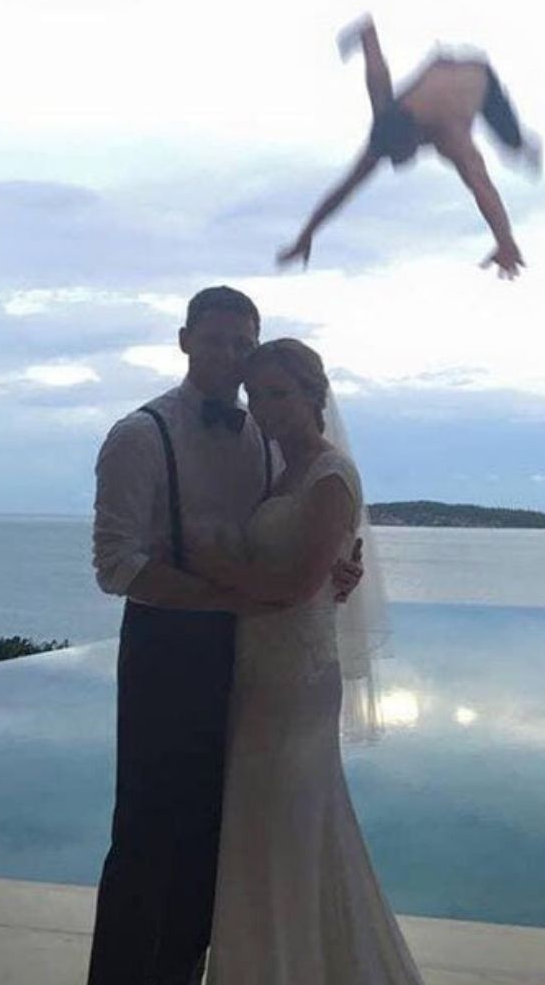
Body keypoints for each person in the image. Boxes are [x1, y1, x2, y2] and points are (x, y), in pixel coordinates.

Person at [87, 287, 363, 985]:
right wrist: (230, 598)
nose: (228, 356)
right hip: (168, 650)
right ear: (185, 342)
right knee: (148, 830)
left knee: (219, 831)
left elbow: (298, 536)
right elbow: (117, 564)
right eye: (214, 341)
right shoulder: (139, 435)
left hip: (251, 658)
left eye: (242, 344)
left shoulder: (267, 442)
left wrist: (334, 565)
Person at [190, 339, 422, 984]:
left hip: (295, 681)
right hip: (258, 671)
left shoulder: (328, 473)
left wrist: (214, 572)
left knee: (283, 828)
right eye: (256, 396)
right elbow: (314, 572)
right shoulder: (281, 470)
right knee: (271, 831)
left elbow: (296, 585)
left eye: (279, 394)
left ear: (313, 396)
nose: (264, 409)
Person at [278, 14, 541, 280]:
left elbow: (483, 188)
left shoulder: (451, 135)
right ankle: (368, 33)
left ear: (418, 138)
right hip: (440, 66)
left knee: (512, 145)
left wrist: (505, 241)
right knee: (378, 83)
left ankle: (525, 147)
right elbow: (343, 190)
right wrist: (306, 234)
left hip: (478, 75)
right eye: (391, 158)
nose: (393, 164)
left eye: (400, 156)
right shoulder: (385, 114)